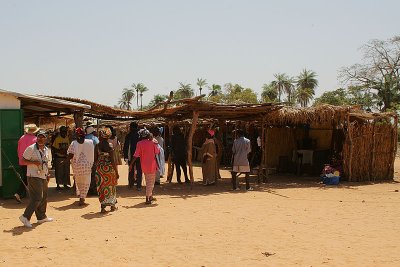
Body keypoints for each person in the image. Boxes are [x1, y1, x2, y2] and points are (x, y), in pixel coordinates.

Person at [19, 130, 53, 228]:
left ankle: (41, 217)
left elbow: (46, 162)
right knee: (37, 197)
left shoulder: (46, 149)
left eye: (43, 137)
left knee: (44, 197)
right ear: (36, 138)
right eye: (39, 137)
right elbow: (22, 160)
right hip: (33, 175)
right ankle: (25, 217)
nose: (40, 139)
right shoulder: (31, 149)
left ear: (46, 139)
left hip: (43, 175)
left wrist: (48, 174)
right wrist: (34, 162)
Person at [129, 129, 160, 204]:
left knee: (148, 181)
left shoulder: (139, 143)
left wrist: (131, 164)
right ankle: (147, 198)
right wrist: (156, 143)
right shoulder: (153, 142)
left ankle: (150, 196)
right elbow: (157, 152)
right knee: (150, 182)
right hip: (152, 165)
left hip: (144, 165)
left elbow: (136, 155)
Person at [67, 128, 95, 206]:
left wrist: (66, 160)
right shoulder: (90, 142)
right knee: (86, 182)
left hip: (77, 167)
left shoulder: (74, 143)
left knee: (79, 182)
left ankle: (81, 196)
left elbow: (70, 155)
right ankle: (82, 197)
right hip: (87, 166)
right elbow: (93, 153)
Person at [95, 127, 119, 213]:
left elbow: (95, 160)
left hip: (100, 169)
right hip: (109, 169)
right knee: (111, 187)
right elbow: (113, 161)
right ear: (108, 136)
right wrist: (116, 172)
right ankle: (112, 206)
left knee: (101, 187)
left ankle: (102, 207)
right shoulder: (110, 146)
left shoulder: (97, 146)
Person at [15, 124, 38, 203]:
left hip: (22, 161)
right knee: (32, 179)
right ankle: (20, 193)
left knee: (25, 178)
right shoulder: (35, 139)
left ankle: (19, 193)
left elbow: (18, 150)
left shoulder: (21, 138)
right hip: (31, 162)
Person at [123, 121, 143, 190]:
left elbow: (126, 146)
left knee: (131, 169)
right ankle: (139, 185)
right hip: (139, 155)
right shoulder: (140, 135)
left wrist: (125, 156)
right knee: (139, 170)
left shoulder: (129, 135)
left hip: (131, 155)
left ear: (131, 127)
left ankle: (131, 184)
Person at [52, 126, 71, 190]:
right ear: (60, 132)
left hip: (65, 157)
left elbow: (68, 147)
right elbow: (54, 148)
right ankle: (58, 185)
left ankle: (65, 184)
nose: (64, 133)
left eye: (65, 131)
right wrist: (61, 151)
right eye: (63, 131)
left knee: (66, 171)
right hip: (59, 157)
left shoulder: (67, 138)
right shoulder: (57, 139)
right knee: (59, 172)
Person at [85, 124, 99, 195]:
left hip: (85, 160)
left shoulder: (83, 138)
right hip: (93, 159)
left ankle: (87, 190)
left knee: (87, 175)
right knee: (94, 174)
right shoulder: (94, 138)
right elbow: (98, 148)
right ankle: (93, 190)